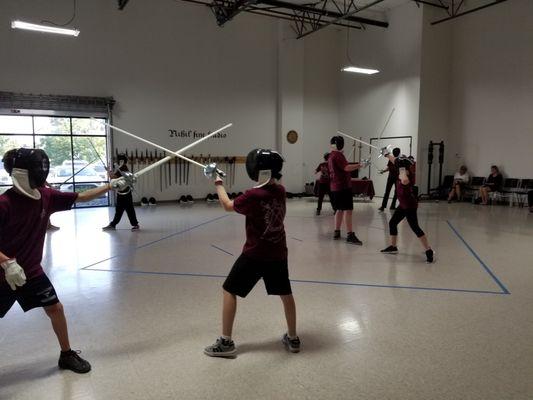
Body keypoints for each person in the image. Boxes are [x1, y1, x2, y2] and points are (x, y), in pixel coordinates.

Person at [0, 148, 127, 373]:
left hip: (32, 272)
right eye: (36, 169)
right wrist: (7, 263)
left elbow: (82, 196)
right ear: (21, 173)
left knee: (55, 308)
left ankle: (66, 355)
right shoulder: (4, 203)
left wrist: (112, 186)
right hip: (2, 276)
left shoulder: (47, 196)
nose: (42, 172)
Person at [204, 148, 300, 357]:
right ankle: (293, 337)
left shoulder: (253, 195)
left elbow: (228, 205)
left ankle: (226, 343)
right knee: (285, 294)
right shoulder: (281, 190)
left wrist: (217, 182)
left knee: (229, 290)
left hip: (255, 254)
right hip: (278, 252)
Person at [380, 154, 434, 263]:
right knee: (392, 223)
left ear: (402, 167)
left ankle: (429, 250)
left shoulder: (407, 176)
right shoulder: (402, 169)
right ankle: (393, 247)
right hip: (403, 205)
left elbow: (404, 180)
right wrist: (386, 153)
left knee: (415, 228)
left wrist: (401, 172)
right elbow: (394, 159)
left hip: (409, 205)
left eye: (398, 166)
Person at [328, 135, 364, 244]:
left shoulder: (331, 155)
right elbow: (346, 168)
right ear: (340, 144)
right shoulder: (338, 155)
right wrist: (360, 165)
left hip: (335, 187)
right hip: (343, 187)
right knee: (348, 210)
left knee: (339, 210)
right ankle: (350, 235)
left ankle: (337, 231)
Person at [102, 153, 140, 231]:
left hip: (125, 193)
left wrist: (108, 171)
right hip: (121, 192)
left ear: (121, 160)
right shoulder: (120, 168)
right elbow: (114, 178)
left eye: (117, 159)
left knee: (129, 209)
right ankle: (113, 224)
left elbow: (113, 177)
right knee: (119, 209)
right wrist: (109, 171)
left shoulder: (123, 168)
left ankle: (135, 225)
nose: (115, 160)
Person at [378, 147, 401, 211]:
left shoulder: (399, 160)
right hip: (391, 177)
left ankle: (392, 206)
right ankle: (383, 206)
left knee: (395, 192)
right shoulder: (391, 160)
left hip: (397, 178)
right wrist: (383, 171)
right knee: (387, 192)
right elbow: (388, 168)